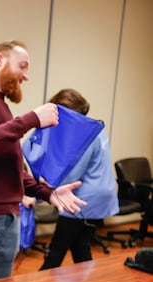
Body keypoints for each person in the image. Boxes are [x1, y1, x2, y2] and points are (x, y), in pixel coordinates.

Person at [0, 40, 86, 282]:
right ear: (0, 61)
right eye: (22, 66)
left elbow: (10, 169)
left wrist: (49, 193)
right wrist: (30, 120)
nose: (26, 76)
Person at [38, 88, 118, 270]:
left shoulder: (81, 135)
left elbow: (72, 175)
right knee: (81, 249)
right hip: (100, 197)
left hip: (83, 199)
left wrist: (37, 194)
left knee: (54, 256)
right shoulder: (94, 128)